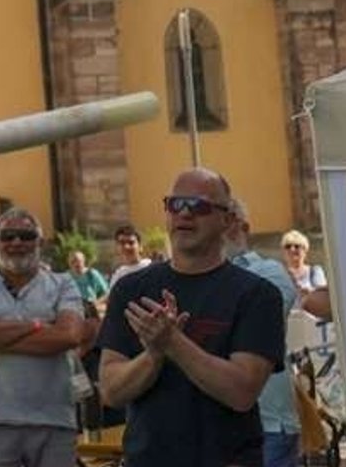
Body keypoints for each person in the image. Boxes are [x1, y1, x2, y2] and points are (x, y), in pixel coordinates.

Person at [98, 169, 284, 467]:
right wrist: (154, 354)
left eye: (198, 206)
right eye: (175, 204)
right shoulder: (131, 290)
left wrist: (174, 342)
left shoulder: (257, 295)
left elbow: (241, 392)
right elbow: (111, 391)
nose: (184, 214)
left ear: (228, 219)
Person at [0, 208, 88, 467]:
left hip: (55, 421)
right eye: (7, 236)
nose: (16, 242)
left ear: (39, 242)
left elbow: (70, 336)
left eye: (26, 236)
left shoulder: (63, 284)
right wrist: (41, 325)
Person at [225, 201, 303, 467]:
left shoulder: (270, 271)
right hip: (220, 426)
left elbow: (258, 321)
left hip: (268, 422)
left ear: (243, 227)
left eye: (228, 216)